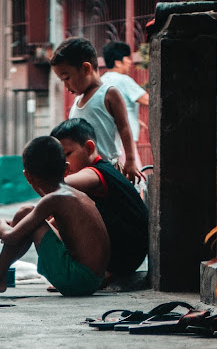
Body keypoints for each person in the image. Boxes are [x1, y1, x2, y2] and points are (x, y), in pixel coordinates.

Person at [0, 136, 110, 297]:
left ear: (27, 176)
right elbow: (34, 225)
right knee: (26, 214)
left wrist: (1, 224)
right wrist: (17, 224)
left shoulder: (53, 199)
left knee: (27, 212)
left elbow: (11, 236)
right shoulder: (74, 195)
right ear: (66, 168)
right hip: (91, 280)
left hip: (78, 280)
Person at [50, 118, 148, 288]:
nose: (63, 163)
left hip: (125, 255)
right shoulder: (98, 171)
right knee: (50, 218)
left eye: (67, 154)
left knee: (64, 207)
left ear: (89, 148)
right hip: (130, 256)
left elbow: (58, 185)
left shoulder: (96, 172)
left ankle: (96, 272)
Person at [50, 37, 144, 183]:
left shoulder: (109, 93)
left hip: (105, 171)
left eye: (67, 78)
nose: (66, 86)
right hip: (84, 171)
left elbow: (125, 128)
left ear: (86, 69)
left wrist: (130, 161)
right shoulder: (76, 103)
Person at [101, 40, 149, 168]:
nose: (130, 62)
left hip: (108, 140)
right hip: (124, 141)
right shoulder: (123, 80)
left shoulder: (102, 80)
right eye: (127, 58)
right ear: (117, 62)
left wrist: (136, 119)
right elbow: (147, 99)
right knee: (134, 176)